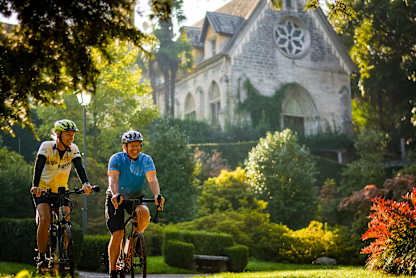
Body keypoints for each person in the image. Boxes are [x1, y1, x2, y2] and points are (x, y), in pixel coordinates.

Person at [30, 119, 92, 270]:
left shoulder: (73, 149)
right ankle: (42, 256)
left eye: (73, 135)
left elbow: (79, 167)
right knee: (45, 219)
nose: (71, 138)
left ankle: (62, 254)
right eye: (68, 135)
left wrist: (86, 183)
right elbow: (38, 167)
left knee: (66, 217)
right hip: (43, 190)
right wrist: (35, 186)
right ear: (58, 134)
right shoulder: (47, 147)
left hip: (61, 190)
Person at [106, 130, 164, 278]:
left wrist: (157, 194)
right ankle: (113, 270)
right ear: (124, 146)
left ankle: (130, 247)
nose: (135, 148)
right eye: (132, 145)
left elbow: (152, 179)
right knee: (118, 233)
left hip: (136, 197)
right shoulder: (116, 159)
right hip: (116, 197)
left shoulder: (146, 160)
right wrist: (115, 194)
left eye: (138, 145)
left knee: (143, 213)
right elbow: (113, 180)